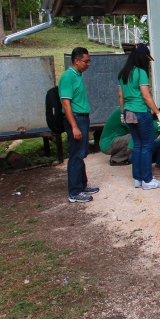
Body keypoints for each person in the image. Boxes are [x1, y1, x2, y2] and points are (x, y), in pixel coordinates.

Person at [118, 43, 160, 190]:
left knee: (138, 144)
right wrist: (158, 113)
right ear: (142, 57)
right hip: (140, 112)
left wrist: (122, 113)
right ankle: (147, 179)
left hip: (128, 112)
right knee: (147, 145)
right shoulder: (140, 73)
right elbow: (146, 96)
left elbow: (120, 96)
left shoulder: (123, 73)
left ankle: (138, 178)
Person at [58, 47, 99, 203]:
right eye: (86, 61)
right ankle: (74, 192)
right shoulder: (68, 77)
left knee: (81, 153)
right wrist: (74, 126)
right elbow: (66, 104)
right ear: (76, 61)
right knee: (76, 155)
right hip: (75, 119)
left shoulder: (78, 75)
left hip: (82, 118)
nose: (88, 64)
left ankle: (82, 185)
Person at [127, 106, 160, 175]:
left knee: (159, 143)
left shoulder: (150, 122)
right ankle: (158, 169)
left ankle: (142, 168)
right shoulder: (158, 123)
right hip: (135, 154)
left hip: (132, 155)